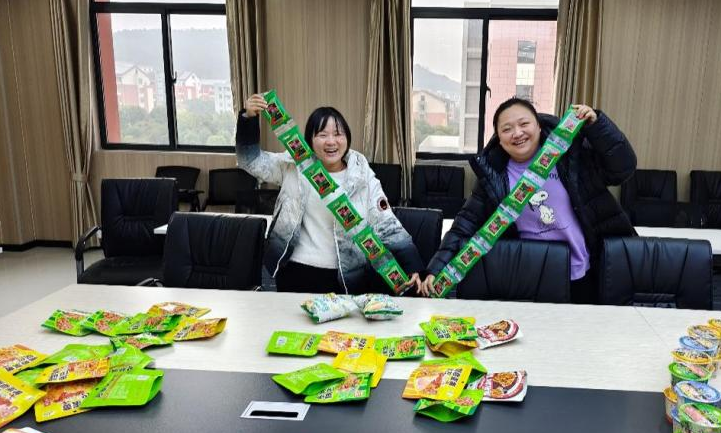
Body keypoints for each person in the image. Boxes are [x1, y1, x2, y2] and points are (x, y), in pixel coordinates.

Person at [420, 97, 637, 302]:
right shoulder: (493, 176)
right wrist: (436, 269)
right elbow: (465, 225)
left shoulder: (570, 155)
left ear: (539, 126)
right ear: (499, 138)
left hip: (582, 270)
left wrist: (597, 127)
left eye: (524, 124)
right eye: (507, 129)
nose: (517, 133)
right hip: (529, 275)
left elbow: (623, 169)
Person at [237, 94, 424, 294]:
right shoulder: (293, 164)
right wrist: (248, 118)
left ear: (347, 138)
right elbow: (250, 161)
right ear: (310, 139)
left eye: (338, 134)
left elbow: (385, 220)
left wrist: (411, 264)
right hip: (295, 269)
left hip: (346, 275)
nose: (331, 141)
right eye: (322, 135)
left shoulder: (361, 173)